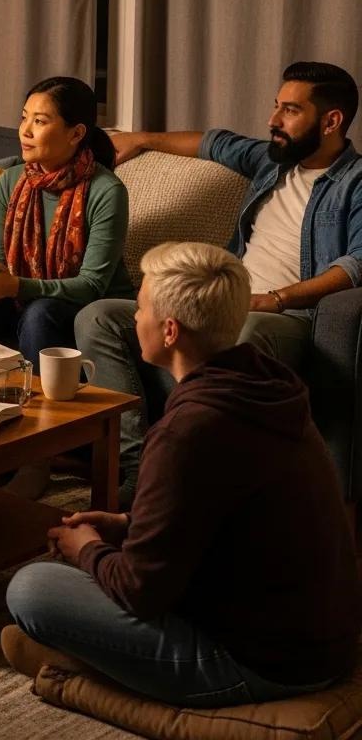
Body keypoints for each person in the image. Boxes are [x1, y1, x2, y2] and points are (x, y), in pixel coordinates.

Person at [3, 242, 361, 708]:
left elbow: (141, 590)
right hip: (321, 641)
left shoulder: (187, 431)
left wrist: (86, 547)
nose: (134, 316)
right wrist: (128, 525)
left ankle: (88, 670)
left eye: (143, 306)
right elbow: (228, 512)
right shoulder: (267, 386)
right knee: (81, 573)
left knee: (31, 587)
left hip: (262, 663)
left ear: (170, 330)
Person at [76, 61, 362, 499]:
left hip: (289, 316)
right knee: (100, 317)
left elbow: (357, 262)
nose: (273, 121)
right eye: (275, 107)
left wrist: (278, 298)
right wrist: (142, 138)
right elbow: (214, 143)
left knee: (245, 331)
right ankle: (136, 465)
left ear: (331, 120)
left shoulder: (355, 184)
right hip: (226, 298)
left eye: (289, 110)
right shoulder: (273, 160)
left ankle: (190, 476)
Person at [0, 76, 134, 374]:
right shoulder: (10, 181)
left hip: (90, 305)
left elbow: (91, 285)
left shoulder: (106, 191)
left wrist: (17, 285)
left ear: (75, 133)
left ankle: (46, 415)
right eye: (24, 118)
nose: (25, 131)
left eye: (39, 121)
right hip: (28, 296)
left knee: (41, 313)